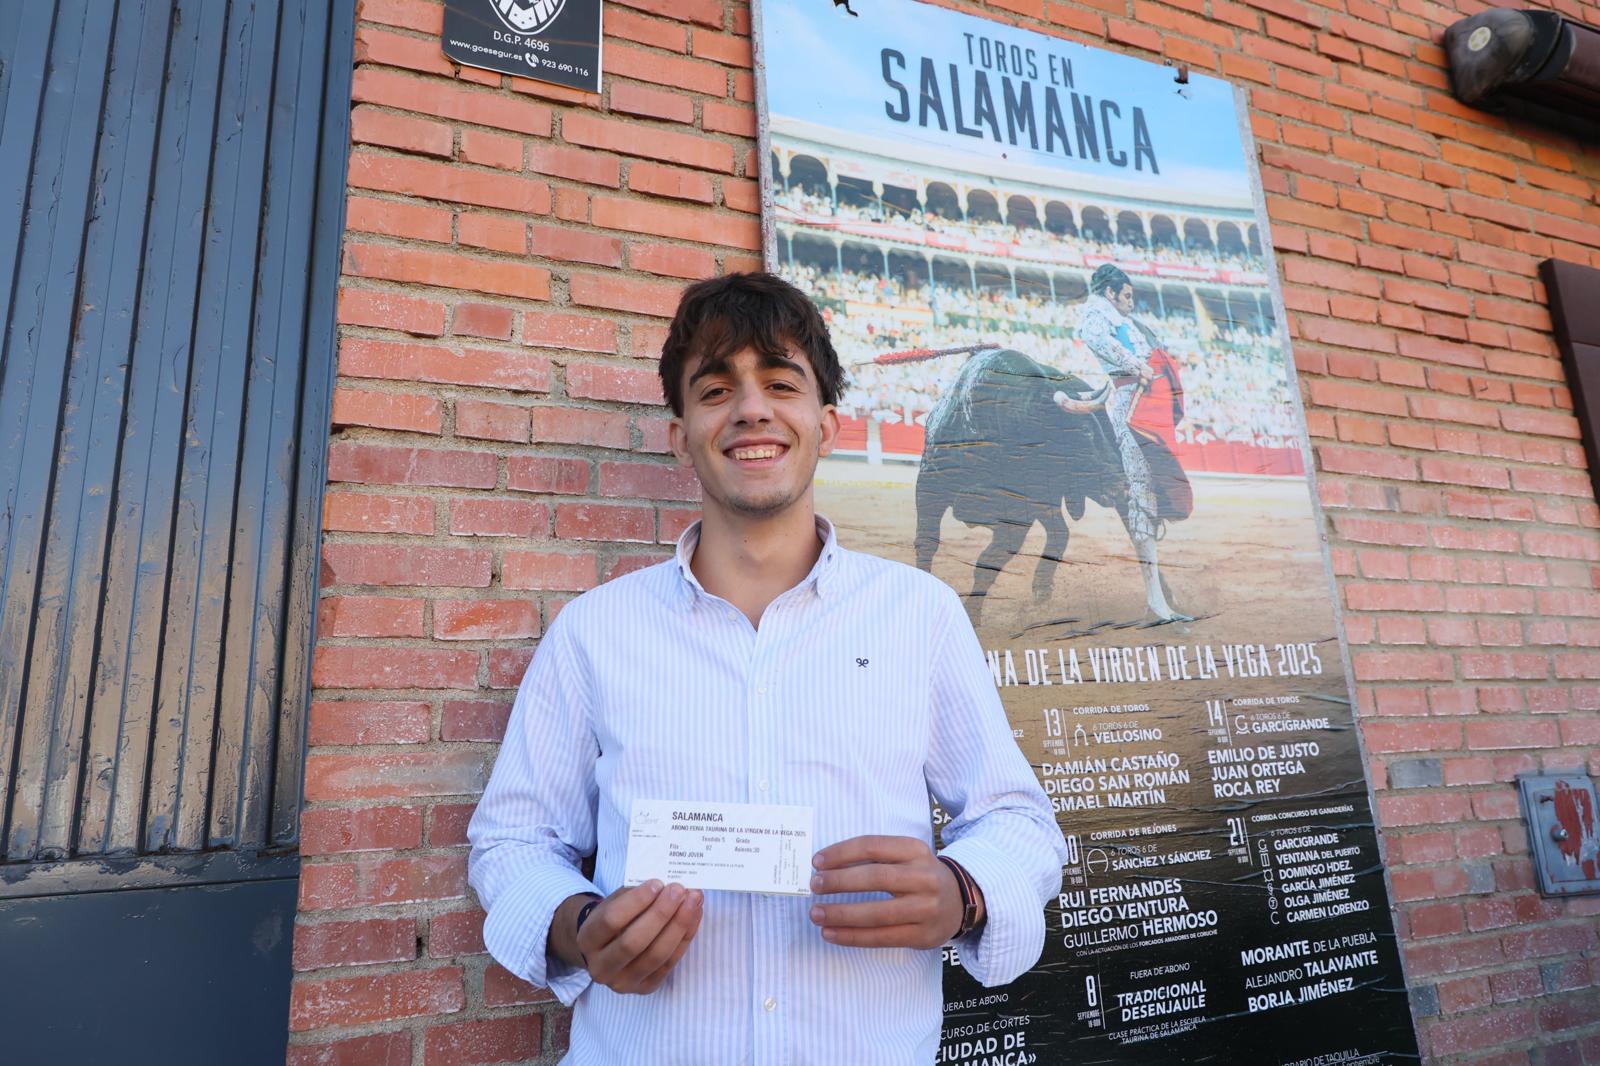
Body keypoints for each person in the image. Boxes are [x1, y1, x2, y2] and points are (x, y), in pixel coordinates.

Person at [467, 272, 1066, 1064]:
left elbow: (1019, 823)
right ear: (680, 435)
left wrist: (965, 892)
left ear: (828, 424)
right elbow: (512, 841)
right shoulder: (594, 633)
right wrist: (577, 928)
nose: (752, 408)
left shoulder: (919, 616)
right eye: (716, 390)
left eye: (780, 383)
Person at [1070, 263, 1190, 622]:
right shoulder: (1097, 314)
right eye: (1126, 295)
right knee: (1140, 493)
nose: (1131, 302)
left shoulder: (1119, 320)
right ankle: (1156, 603)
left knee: (1149, 492)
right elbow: (1094, 337)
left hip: (1139, 403)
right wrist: (1137, 365)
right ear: (1110, 293)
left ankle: (1157, 600)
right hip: (1127, 407)